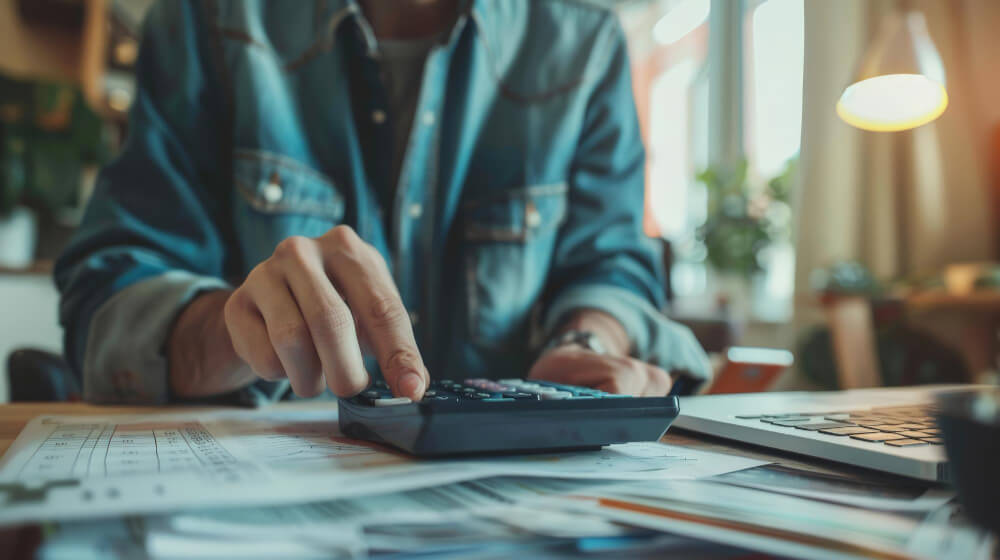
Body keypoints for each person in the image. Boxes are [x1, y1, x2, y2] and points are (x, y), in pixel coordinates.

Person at [55, 0, 710, 406]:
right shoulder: (204, 22)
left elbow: (611, 265)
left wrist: (587, 340)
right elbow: (106, 301)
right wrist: (228, 332)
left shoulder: (586, 45)